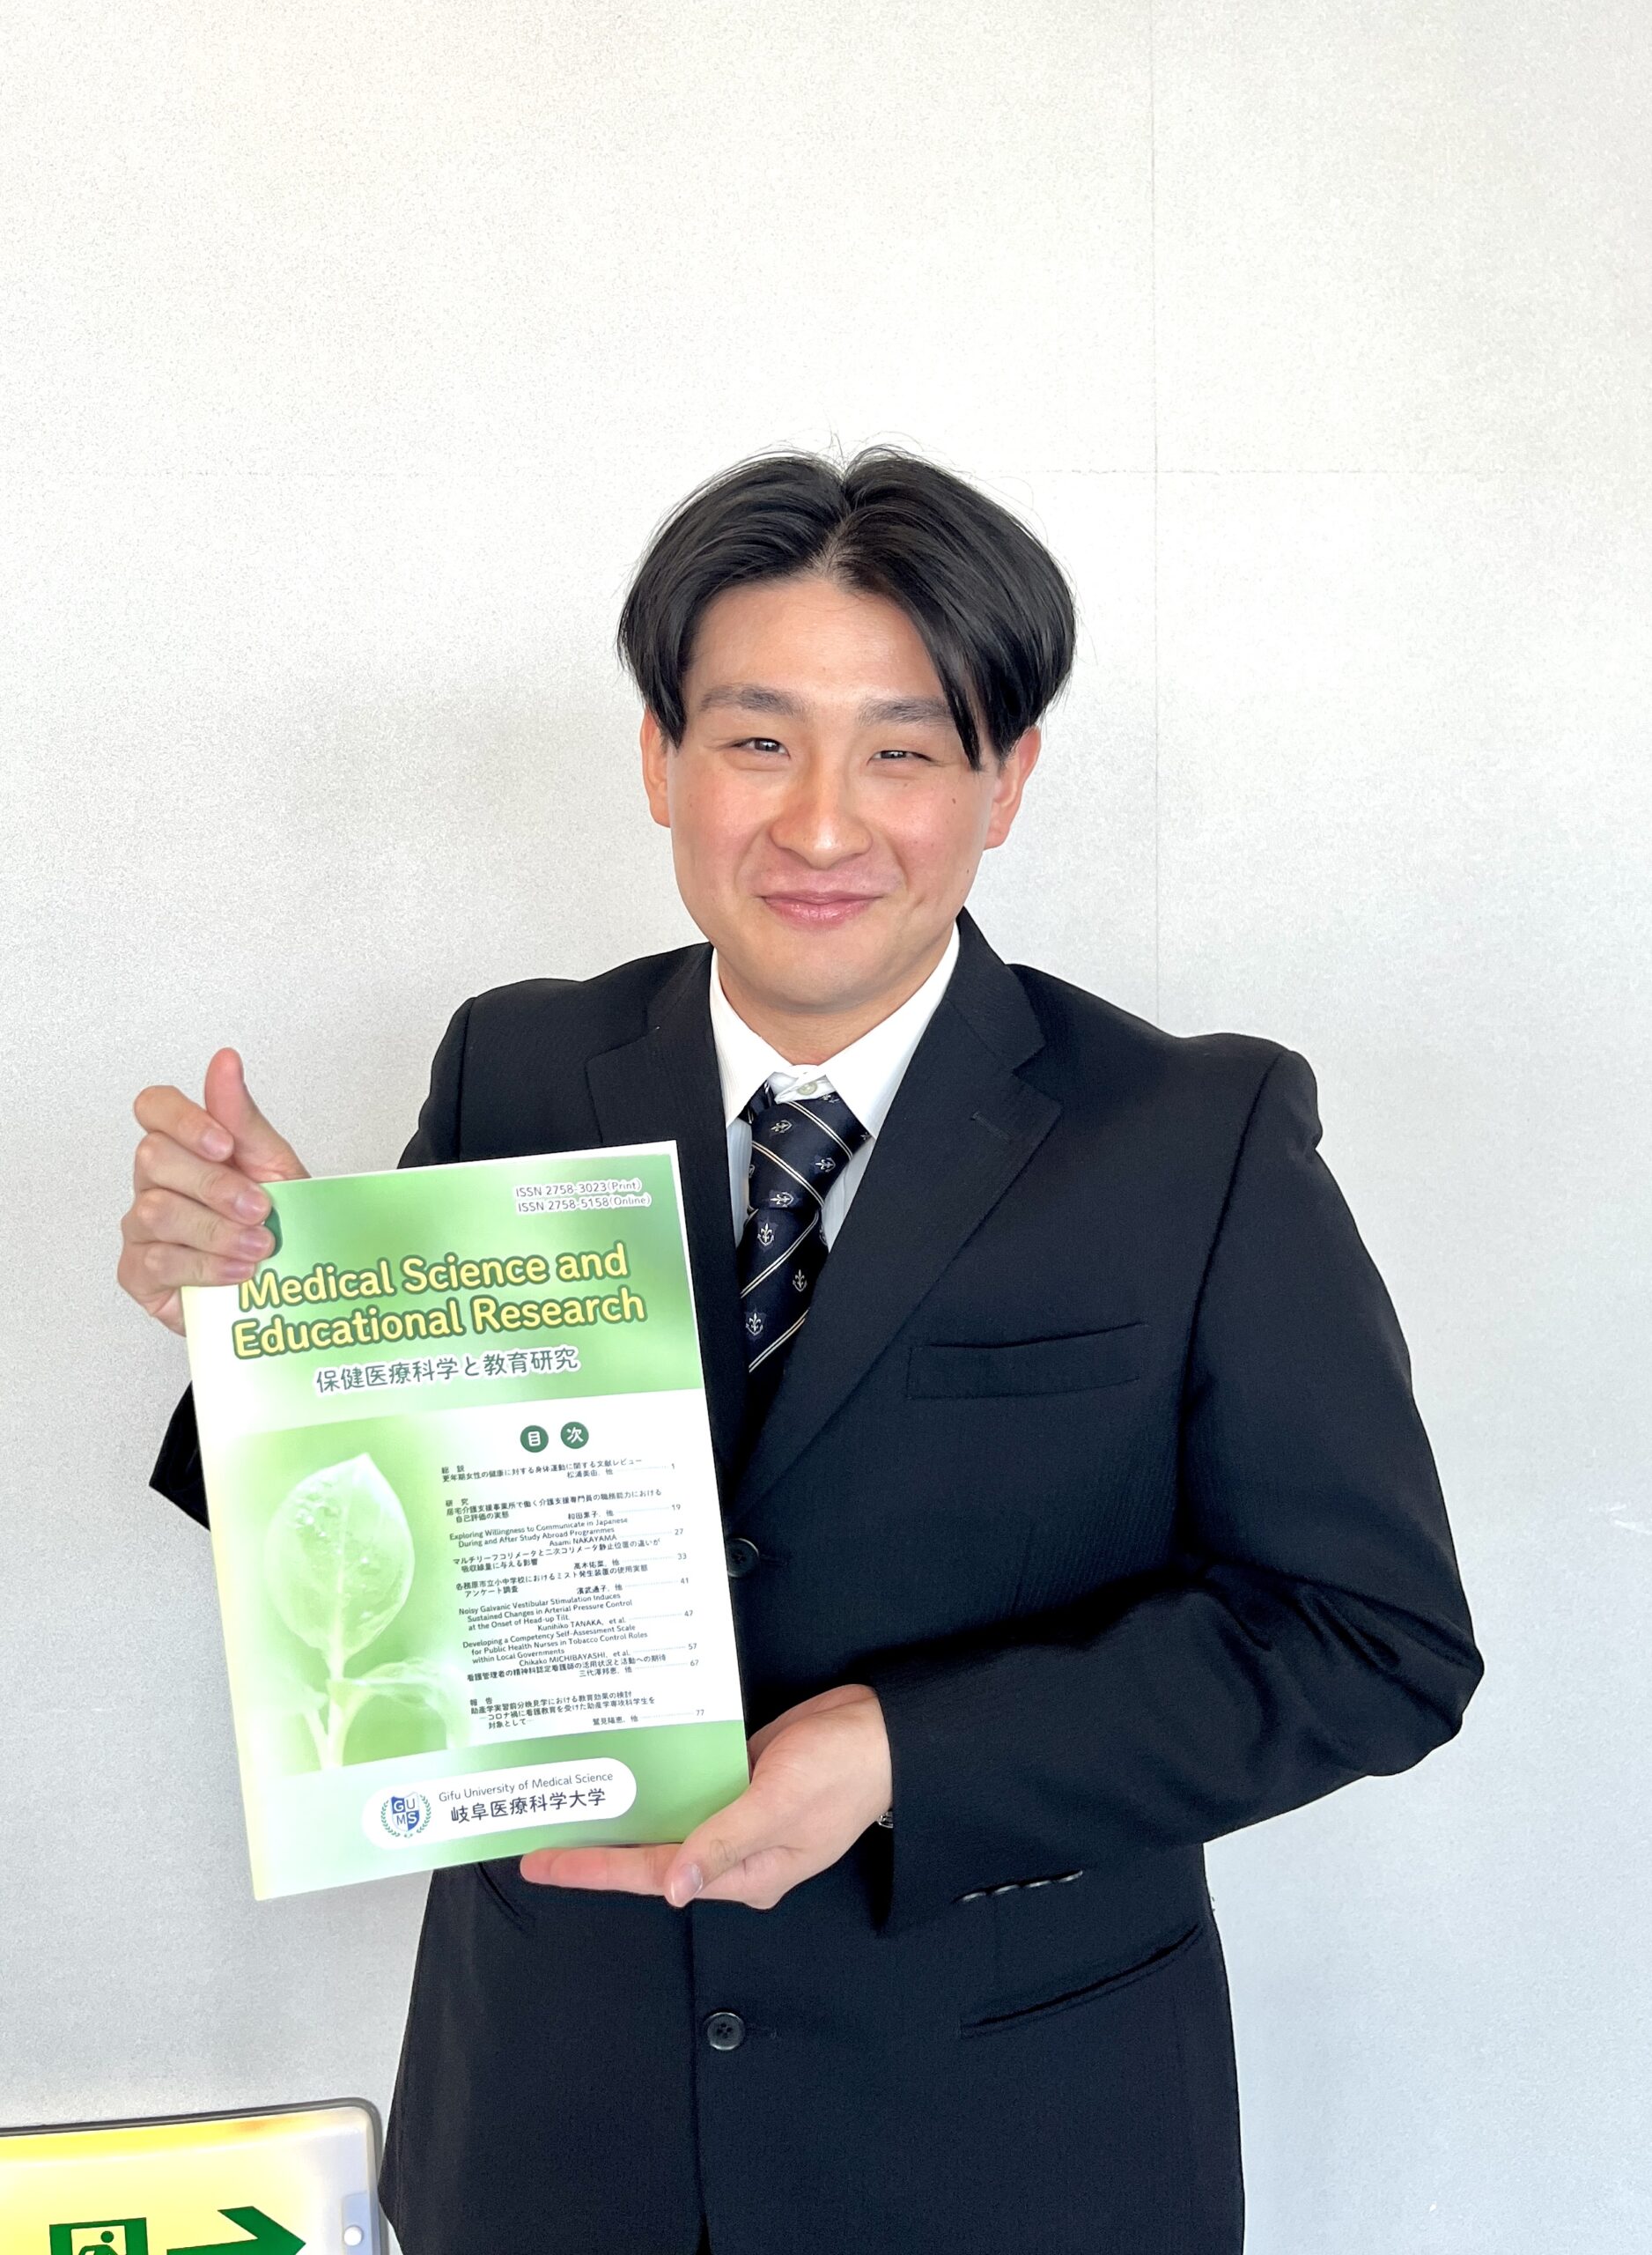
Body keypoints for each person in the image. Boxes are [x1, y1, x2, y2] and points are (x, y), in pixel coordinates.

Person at [122, 447, 1484, 2255]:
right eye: (758, 739)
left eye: (901, 751)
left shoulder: (1187, 1134)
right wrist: (270, 1332)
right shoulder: (520, 1067)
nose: (822, 825)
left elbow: (1370, 1643)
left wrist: (902, 1753)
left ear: (1005, 781)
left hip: (1007, 2145)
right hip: (551, 2116)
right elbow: (422, 1574)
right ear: (659, 761)